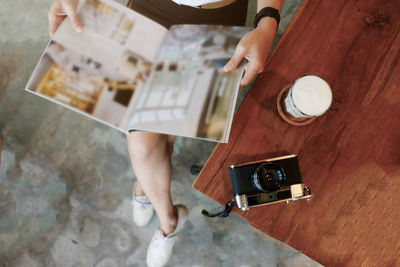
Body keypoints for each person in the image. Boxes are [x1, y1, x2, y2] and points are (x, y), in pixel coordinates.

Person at [48, 0, 283, 266]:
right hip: (152, 7)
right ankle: (169, 220)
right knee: (142, 144)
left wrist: (268, 20)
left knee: (170, 122)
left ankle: (145, 186)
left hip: (218, 14)